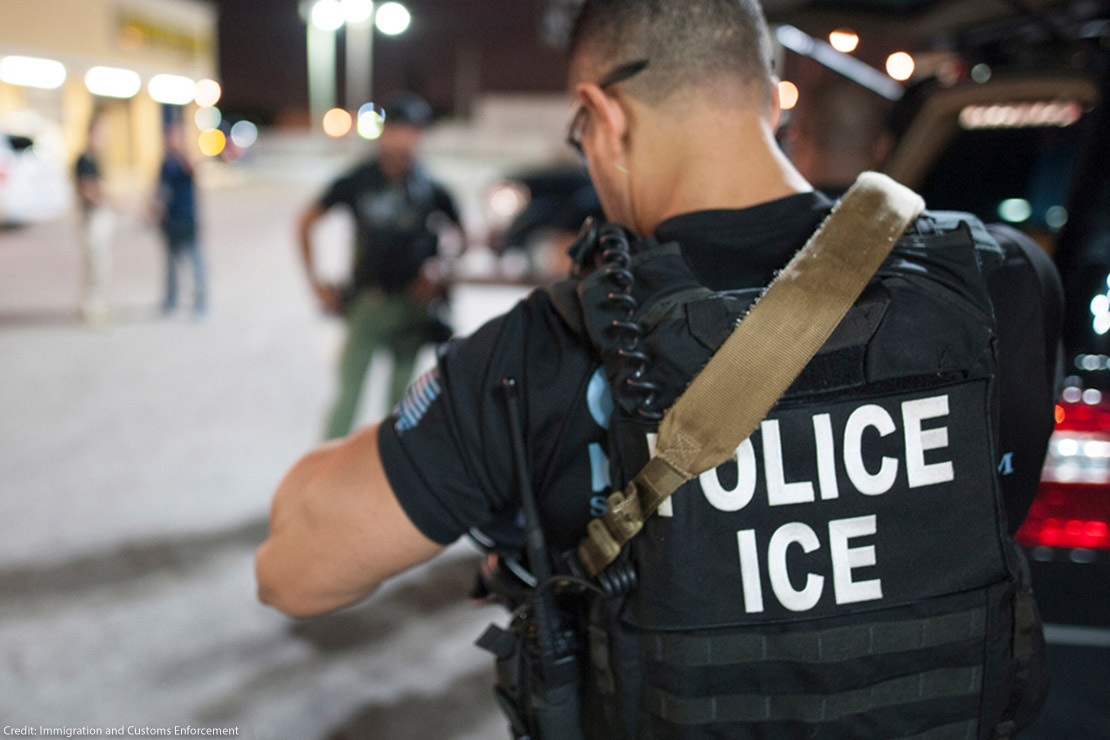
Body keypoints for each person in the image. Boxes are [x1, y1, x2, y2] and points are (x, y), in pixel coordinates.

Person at [258, 2, 1061, 738]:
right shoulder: (999, 279)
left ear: (605, 117)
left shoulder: (548, 346)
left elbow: (293, 572)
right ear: (767, 92)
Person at [297, 92, 464, 439]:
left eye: (414, 131)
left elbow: (461, 236)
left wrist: (440, 270)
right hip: (367, 304)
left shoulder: (429, 187)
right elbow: (306, 222)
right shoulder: (360, 180)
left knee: (402, 407)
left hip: (413, 308)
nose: (406, 139)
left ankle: (390, 469)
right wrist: (316, 282)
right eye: (400, 129)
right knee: (348, 397)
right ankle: (329, 467)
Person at [156, 122, 207, 317]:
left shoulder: (185, 160)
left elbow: (194, 169)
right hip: (171, 221)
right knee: (170, 265)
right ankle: (171, 299)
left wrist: (185, 151)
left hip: (187, 220)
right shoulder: (165, 163)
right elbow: (161, 191)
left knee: (196, 262)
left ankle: (201, 301)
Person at [74, 112, 115, 326]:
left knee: (100, 265)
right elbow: (87, 190)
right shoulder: (84, 159)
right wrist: (106, 197)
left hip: (99, 217)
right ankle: (92, 308)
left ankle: (94, 305)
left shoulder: (96, 158)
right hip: (92, 218)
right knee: (95, 266)